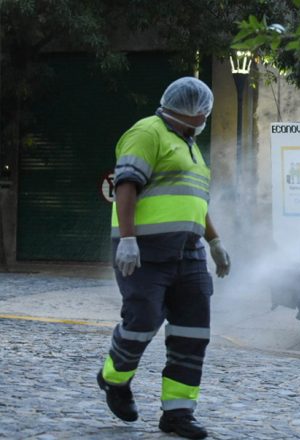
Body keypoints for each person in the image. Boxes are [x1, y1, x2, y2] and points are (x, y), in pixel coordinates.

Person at [96, 76, 231, 440]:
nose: (205, 116)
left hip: (189, 255)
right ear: (194, 110)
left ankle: (178, 415)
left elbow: (193, 201)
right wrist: (127, 239)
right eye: (204, 111)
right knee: (142, 322)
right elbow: (126, 185)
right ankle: (113, 379)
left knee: (192, 333)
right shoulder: (147, 133)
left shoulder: (189, 145)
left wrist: (215, 241)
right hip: (145, 254)